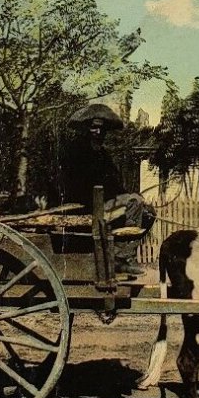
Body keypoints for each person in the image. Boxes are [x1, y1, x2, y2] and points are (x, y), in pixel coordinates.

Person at [63, 104, 155, 275]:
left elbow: (115, 184)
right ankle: (121, 258)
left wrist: (128, 195)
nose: (98, 132)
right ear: (85, 128)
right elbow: (77, 185)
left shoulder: (103, 154)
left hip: (104, 202)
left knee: (148, 212)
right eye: (94, 127)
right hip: (85, 205)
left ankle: (121, 254)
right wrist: (122, 198)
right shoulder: (76, 151)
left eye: (101, 128)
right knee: (134, 203)